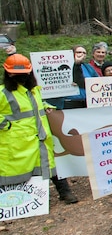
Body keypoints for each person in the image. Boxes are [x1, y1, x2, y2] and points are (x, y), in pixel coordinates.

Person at [0, 54, 78, 203]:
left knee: (50, 165)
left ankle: (65, 192)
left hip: (40, 138)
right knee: (16, 171)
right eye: (16, 74)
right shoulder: (3, 93)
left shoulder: (34, 91)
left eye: (24, 74)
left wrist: (47, 107)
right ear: (8, 74)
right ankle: (16, 201)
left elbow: (36, 107)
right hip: (16, 142)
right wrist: (6, 125)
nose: (21, 77)